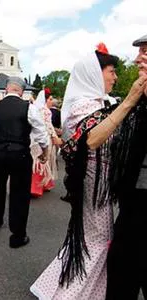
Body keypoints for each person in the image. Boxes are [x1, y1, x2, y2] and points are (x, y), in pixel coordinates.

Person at [30, 43, 147, 300]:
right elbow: (93, 138)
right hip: (94, 184)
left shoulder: (97, 103)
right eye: (111, 71)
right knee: (100, 241)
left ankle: (65, 289)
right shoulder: (83, 105)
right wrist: (131, 99)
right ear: (94, 74)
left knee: (94, 240)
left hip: (102, 184)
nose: (115, 77)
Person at [106, 34, 147, 300]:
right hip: (133, 204)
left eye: (145, 53)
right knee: (122, 275)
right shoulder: (138, 101)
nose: (136, 59)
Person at [0, 76, 49, 248]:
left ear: (7, 89)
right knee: (19, 193)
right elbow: (41, 134)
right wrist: (44, 152)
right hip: (19, 154)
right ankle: (17, 235)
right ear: (21, 91)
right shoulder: (28, 108)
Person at [30, 88, 62, 197]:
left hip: (34, 139)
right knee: (44, 160)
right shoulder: (46, 111)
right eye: (50, 99)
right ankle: (39, 186)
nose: (51, 101)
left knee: (37, 161)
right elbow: (48, 126)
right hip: (45, 138)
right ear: (45, 100)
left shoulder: (35, 109)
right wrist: (55, 136)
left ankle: (39, 185)